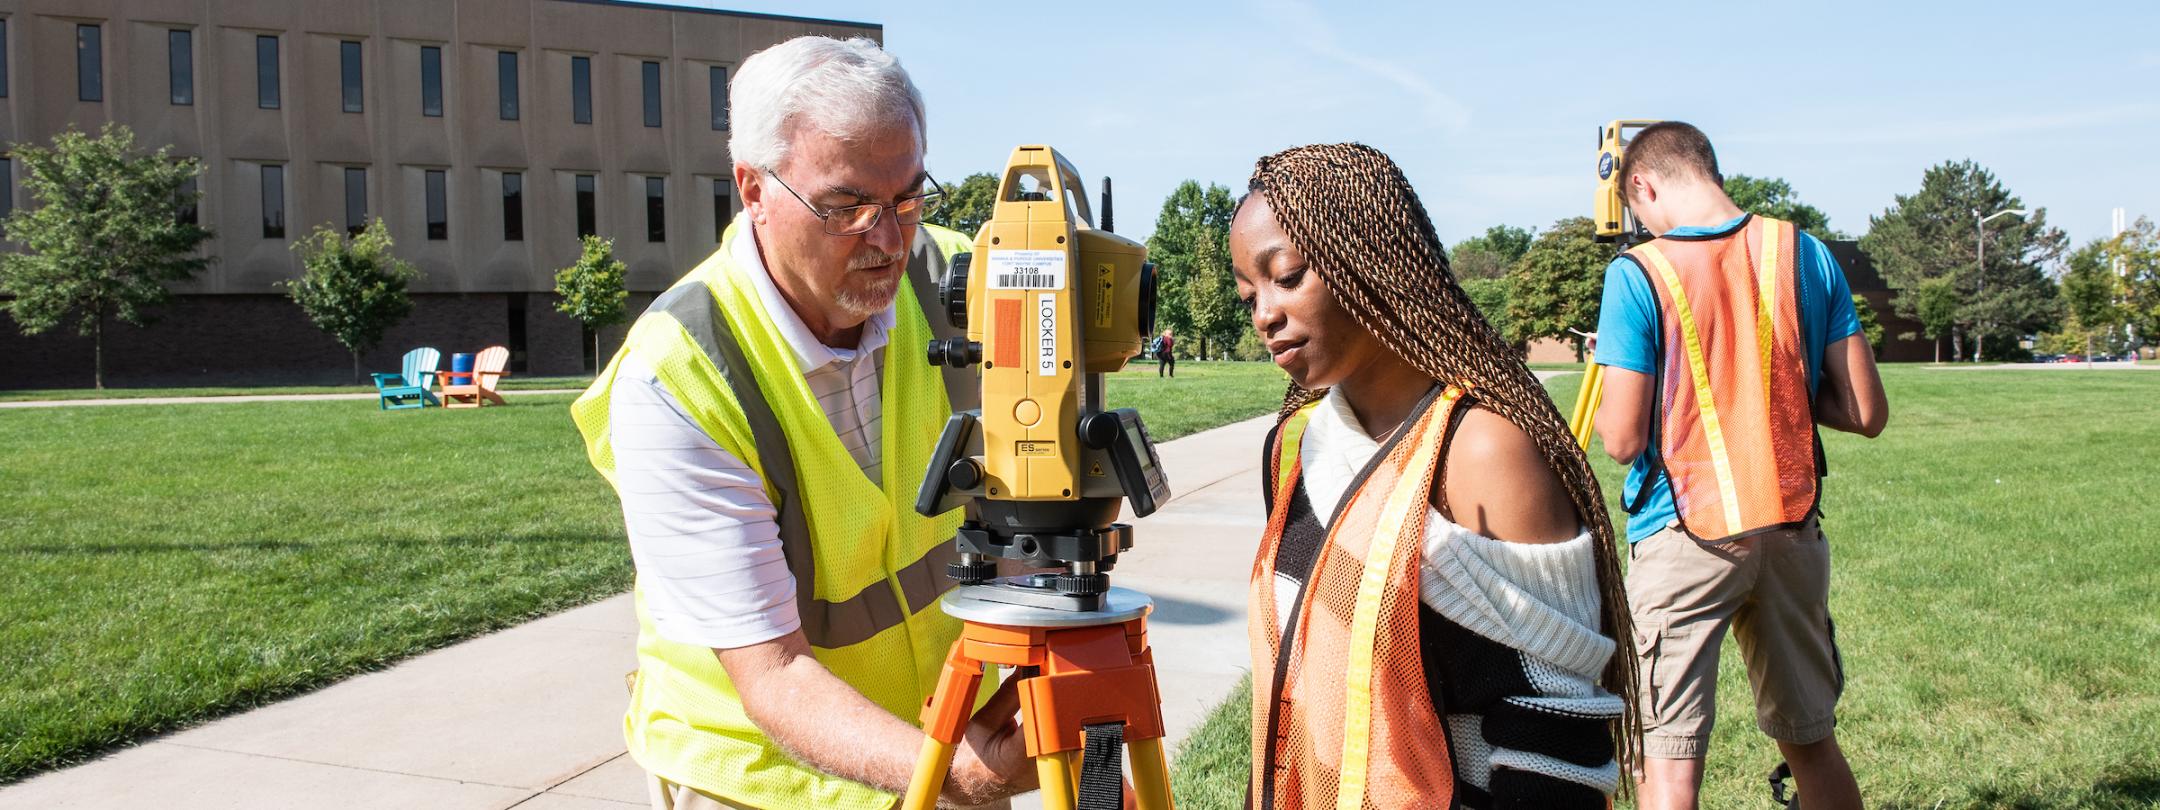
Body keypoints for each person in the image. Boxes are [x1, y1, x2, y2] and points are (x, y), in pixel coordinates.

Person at [569, 36, 1028, 810]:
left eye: (909, 197)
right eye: (846, 206)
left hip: (933, 742)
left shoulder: (959, 281)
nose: (887, 238)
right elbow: (772, 674)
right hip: (757, 776)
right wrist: (958, 775)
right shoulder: (678, 373)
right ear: (752, 187)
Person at [1232, 143, 1637, 808]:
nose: (1264, 315)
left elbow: (1557, 741)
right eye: (1251, 294)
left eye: (1288, 275)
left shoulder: (1481, 449)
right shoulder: (1298, 446)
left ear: (1371, 256)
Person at [1592, 121, 1888, 810]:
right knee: (1812, 742)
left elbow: (1622, 438)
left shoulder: (1639, 271)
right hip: (1790, 530)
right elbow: (1866, 411)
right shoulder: (1803, 251)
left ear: (1644, 185)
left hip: (1684, 535)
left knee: (1665, 763)